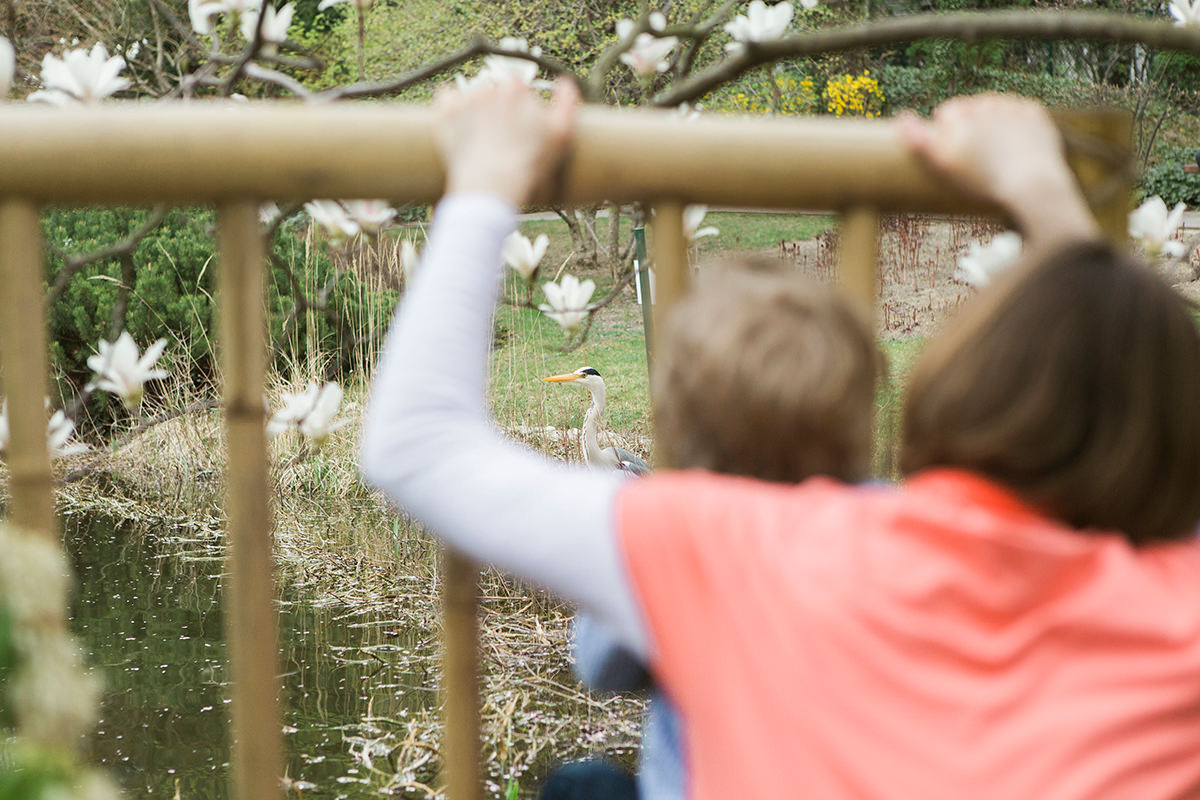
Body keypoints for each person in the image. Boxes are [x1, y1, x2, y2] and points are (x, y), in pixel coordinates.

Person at [360, 82, 1200, 799]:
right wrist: (1054, 200)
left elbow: (418, 444)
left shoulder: (750, 548)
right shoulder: (1175, 612)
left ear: (946, 385)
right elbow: (1129, 383)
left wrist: (483, 183)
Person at [570, 263, 884, 800]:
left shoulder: (680, 525)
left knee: (581, 783)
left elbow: (598, 663)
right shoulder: (882, 515)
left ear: (688, 423)